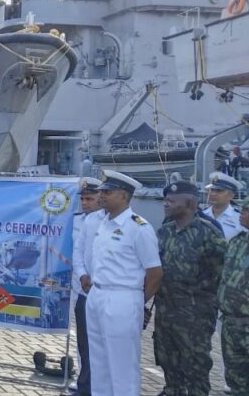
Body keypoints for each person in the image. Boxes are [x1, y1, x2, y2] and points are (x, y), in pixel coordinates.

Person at [85, 170, 162, 395]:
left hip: (122, 297)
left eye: (108, 192)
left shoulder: (138, 227)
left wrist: (136, 301)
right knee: (98, 362)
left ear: (124, 196)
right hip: (97, 294)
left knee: (122, 365)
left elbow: (155, 273)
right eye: (101, 191)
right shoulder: (102, 223)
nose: (101, 195)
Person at [153, 181, 227, 396]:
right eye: (165, 200)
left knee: (196, 366)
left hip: (195, 316)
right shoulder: (164, 232)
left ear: (190, 203)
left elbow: (222, 274)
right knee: (167, 360)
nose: (165, 204)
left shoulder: (209, 234)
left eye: (171, 201)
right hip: (165, 311)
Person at [69, 177, 104, 396]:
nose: (84, 203)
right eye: (82, 199)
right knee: (82, 339)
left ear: (100, 198)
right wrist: (81, 274)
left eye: (89, 199)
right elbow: (77, 252)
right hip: (80, 285)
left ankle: (99, 383)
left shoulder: (107, 222)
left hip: (102, 288)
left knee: (99, 340)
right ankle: (83, 378)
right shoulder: (76, 220)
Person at [217, 200, 249, 395]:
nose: (242, 213)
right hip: (231, 320)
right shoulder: (237, 241)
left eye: (247, 210)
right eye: (242, 209)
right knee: (235, 378)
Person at [205, 171, 246, 241]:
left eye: (219, 191)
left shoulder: (239, 218)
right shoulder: (202, 214)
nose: (213, 194)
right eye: (212, 190)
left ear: (231, 196)